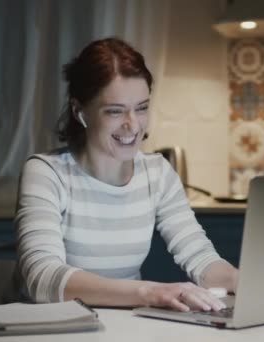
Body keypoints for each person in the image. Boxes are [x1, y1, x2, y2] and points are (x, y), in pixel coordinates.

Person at [14, 37, 238, 313]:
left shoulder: (157, 173)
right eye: (115, 111)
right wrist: (149, 292)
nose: (133, 126)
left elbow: (201, 258)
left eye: (142, 108)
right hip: (48, 327)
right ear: (79, 111)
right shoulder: (47, 173)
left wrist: (246, 282)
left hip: (123, 326)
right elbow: (43, 278)